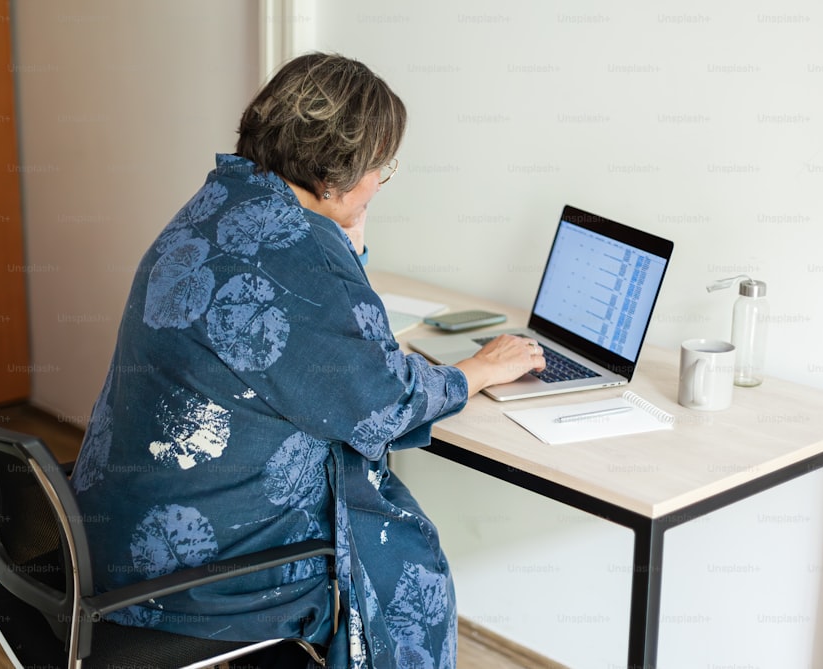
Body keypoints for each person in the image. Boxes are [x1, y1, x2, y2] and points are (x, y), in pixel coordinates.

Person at [70, 52, 545, 669]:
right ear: (335, 173)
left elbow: (314, 344)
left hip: (114, 535)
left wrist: (345, 242)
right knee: (409, 575)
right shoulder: (300, 252)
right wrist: (477, 370)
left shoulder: (223, 202)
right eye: (380, 167)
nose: (380, 182)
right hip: (201, 580)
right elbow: (382, 400)